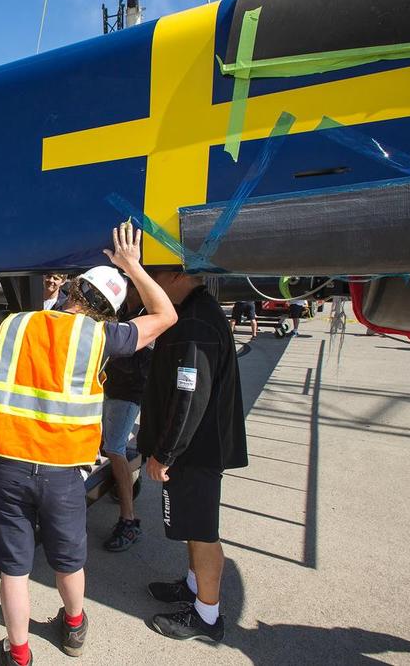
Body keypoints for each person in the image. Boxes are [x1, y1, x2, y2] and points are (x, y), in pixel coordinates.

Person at [0, 222, 177, 665]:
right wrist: (132, 266)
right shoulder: (102, 337)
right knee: (68, 560)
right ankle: (73, 629)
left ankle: (19, 655)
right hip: (63, 473)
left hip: (8, 466)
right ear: (107, 310)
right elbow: (166, 315)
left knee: (13, 569)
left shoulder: (15, 323)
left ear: (70, 289)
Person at [137, 270, 248, 643]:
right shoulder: (195, 311)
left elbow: (189, 396)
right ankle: (192, 585)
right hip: (197, 448)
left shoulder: (196, 322)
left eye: (155, 273)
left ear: (177, 275)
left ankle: (206, 616)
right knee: (191, 526)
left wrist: (165, 453)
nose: (149, 280)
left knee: (202, 533)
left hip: (195, 452)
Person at [101, 288, 153, 553]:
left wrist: (107, 347)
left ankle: (128, 520)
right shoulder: (122, 312)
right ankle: (129, 480)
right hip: (110, 388)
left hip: (129, 392)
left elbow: (140, 361)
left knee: (114, 448)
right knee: (108, 445)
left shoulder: (146, 317)